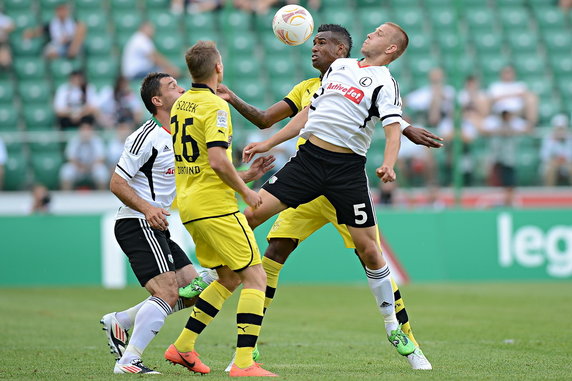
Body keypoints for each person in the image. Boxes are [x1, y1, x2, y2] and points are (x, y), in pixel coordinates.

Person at [217, 24, 439, 370]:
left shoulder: (385, 82)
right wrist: (269, 142)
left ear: (392, 49)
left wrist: (389, 165)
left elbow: (393, 128)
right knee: (250, 215)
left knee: (370, 251)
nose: (370, 35)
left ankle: (394, 328)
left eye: (379, 33)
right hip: (308, 163)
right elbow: (308, 114)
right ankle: (208, 270)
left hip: (347, 171)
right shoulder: (340, 67)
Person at [163, 41, 277, 377]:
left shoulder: (181, 104)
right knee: (256, 278)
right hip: (217, 207)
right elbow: (215, 160)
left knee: (227, 278)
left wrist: (243, 175)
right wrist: (247, 191)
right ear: (219, 68)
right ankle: (244, 363)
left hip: (191, 206)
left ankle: (182, 346)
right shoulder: (215, 107)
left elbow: (199, 161)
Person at [102, 73, 214, 374]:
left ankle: (122, 320)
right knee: (166, 292)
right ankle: (129, 360)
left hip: (157, 225)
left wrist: (243, 178)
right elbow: (116, 182)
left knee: (194, 288)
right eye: (172, 86)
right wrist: (147, 207)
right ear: (157, 100)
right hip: (137, 221)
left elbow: (204, 173)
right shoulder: (145, 135)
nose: (180, 88)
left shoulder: (181, 132)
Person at [480, 109, 532, 207]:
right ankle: (500, 202)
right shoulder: (494, 123)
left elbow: (528, 129)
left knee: (509, 183)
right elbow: (482, 130)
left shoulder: (515, 123)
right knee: (497, 182)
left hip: (509, 159)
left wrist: (511, 131)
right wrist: (500, 131)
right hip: (498, 158)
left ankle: (508, 201)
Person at [59, 122, 109, 190]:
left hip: (92, 168)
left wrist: (89, 167)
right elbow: (70, 158)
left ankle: (103, 197)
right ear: (80, 130)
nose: (85, 132)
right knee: (66, 171)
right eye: (83, 129)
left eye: (88, 129)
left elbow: (101, 158)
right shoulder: (75, 140)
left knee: (102, 171)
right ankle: (66, 197)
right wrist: (80, 167)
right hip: (78, 168)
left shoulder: (97, 140)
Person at [540, 114, 572, 186]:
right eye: (558, 128)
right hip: (553, 164)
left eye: (562, 128)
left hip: (567, 164)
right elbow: (544, 156)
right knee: (549, 169)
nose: (560, 131)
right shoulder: (548, 138)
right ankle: (549, 194)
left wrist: (565, 161)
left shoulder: (570, 138)